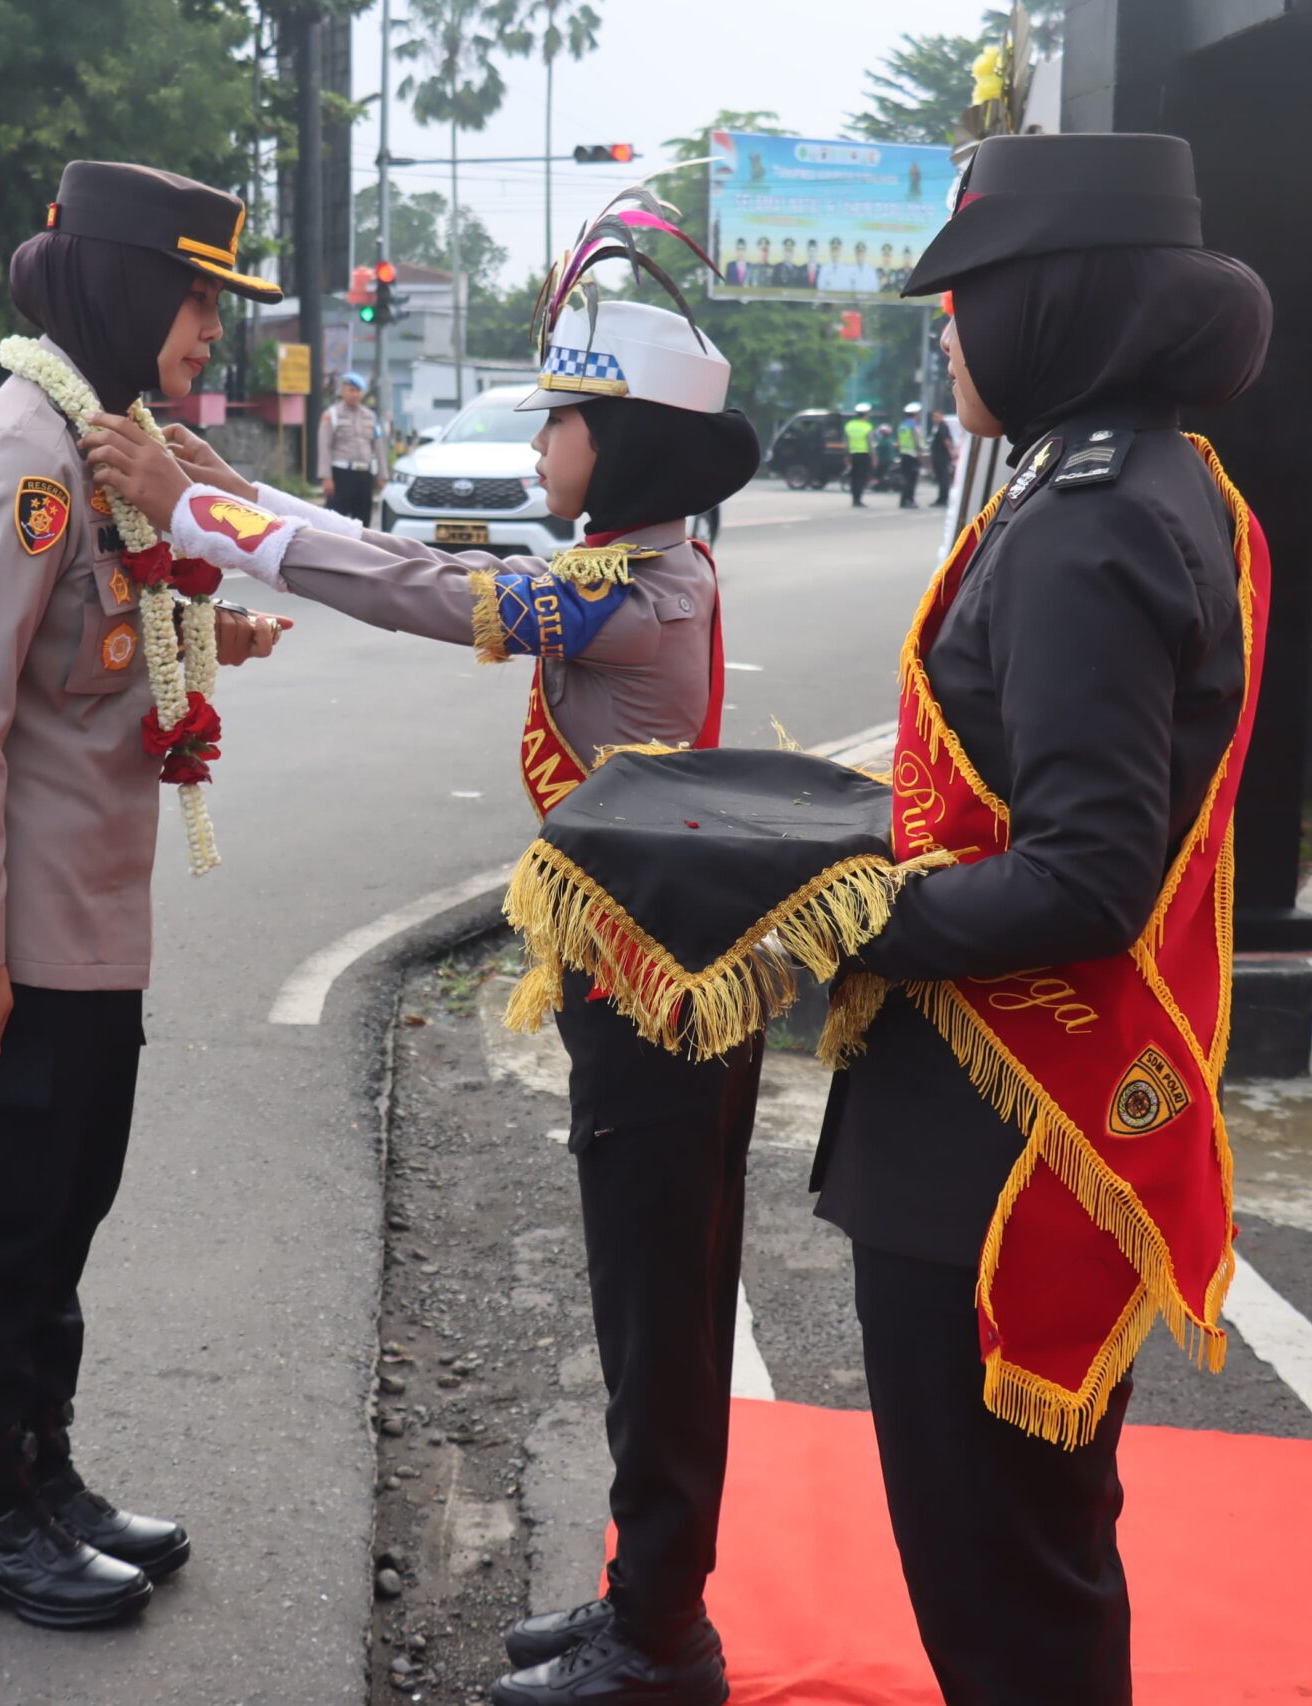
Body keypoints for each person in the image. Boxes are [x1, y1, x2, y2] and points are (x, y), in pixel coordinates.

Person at [88, 204, 762, 1706]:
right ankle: (638, 1599)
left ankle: (663, 1638)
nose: (538, 454)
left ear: (629, 443)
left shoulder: (629, 589)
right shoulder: (643, 565)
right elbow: (406, 553)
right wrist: (242, 490)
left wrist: (209, 519)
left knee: (658, 1312)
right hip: (636, 973)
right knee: (638, 1300)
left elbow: (430, 595)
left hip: (657, 993)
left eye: (564, 425)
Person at [812, 131, 1275, 1703]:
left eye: (970, 295)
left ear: (1062, 302)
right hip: (1015, 1121)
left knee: (999, 1570)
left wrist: (840, 917)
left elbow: (1086, 873)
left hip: (998, 1142)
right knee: (1037, 1553)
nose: (943, 328)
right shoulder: (1147, 476)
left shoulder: (1086, 519)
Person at [0, 159, 290, 1631]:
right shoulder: (21, 465)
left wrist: (207, 640)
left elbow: (87, 652)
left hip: (88, 928)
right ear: (116, 283)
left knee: (62, 1223)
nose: (203, 332)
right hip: (8, 940)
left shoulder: (102, 439)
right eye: (190, 297)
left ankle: (45, 1478)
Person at [319, 370, 387, 525]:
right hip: (341, 474)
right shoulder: (332, 415)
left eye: (358, 391)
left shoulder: (370, 416)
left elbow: (378, 447)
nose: (355, 394)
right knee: (335, 522)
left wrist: (382, 476)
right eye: (351, 390)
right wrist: (326, 477)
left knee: (363, 522)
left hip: (364, 474)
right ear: (343, 391)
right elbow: (325, 446)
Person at [844, 402, 875, 506]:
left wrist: (847, 455)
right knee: (862, 477)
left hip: (853, 455)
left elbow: (847, 442)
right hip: (864, 455)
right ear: (866, 414)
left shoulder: (849, 425)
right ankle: (858, 499)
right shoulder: (867, 426)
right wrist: (874, 457)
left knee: (854, 477)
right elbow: (870, 443)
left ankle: (854, 499)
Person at [895, 402, 925, 509]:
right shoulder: (914, 426)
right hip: (912, 455)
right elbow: (916, 440)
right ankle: (909, 500)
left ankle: (903, 500)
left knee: (905, 478)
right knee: (912, 479)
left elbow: (899, 442)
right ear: (916, 414)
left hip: (904, 455)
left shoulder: (902, 426)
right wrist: (921, 452)